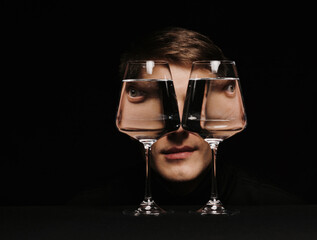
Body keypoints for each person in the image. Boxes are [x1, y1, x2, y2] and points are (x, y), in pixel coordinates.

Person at [70, 27, 301, 206]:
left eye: (194, 102)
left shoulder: (277, 209)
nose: (179, 127)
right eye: (161, 103)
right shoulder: (85, 212)